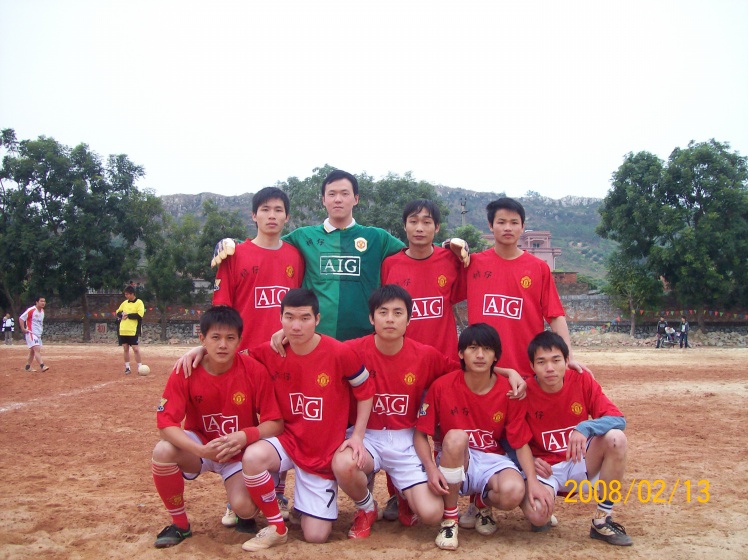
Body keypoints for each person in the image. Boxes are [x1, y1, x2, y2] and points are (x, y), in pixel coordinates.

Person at [239, 288, 374, 551]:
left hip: (323, 451)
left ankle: (316, 507)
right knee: (253, 457)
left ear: (317, 319)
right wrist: (198, 351)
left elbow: (366, 391)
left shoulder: (339, 352)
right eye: (289, 317)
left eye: (304, 318)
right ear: (280, 318)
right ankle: (276, 525)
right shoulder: (270, 351)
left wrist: (357, 436)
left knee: (316, 535)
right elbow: (234, 360)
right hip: (287, 440)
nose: (296, 326)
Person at [333, 284, 464, 538]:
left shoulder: (425, 355)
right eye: (383, 312)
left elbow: (463, 372)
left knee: (431, 513)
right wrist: (285, 336)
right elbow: (316, 350)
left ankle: (405, 496)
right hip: (366, 436)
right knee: (343, 463)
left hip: (406, 438)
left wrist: (507, 372)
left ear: (409, 319)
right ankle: (367, 507)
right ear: (372, 318)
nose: (390, 319)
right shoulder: (351, 350)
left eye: (397, 313)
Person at [151, 306, 284, 548]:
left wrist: (245, 436)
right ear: (202, 339)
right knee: (163, 450)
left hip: (238, 453)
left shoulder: (253, 370)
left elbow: (275, 422)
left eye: (230, 338)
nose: (223, 345)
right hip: (201, 447)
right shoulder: (186, 369)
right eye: (215, 337)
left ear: (239, 341)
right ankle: (180, 525)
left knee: (245, 508)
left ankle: (244, 508)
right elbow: (166, 425)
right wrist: (200, 450)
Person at [415, 323, 550, 551]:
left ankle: (481, 502)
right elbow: (420, 434)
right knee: (456, 437)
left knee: (514, 491)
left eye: (487, 349)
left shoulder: (510, 391)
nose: (480, 355)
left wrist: (533, 482)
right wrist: (430, 468)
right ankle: (450, 519)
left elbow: (520, 442)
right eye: (473, 348)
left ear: (496, 355)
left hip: (492, 459)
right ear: (461, 353)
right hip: (455, 457)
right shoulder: (442, 386)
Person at [520, 331, 633, 546]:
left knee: (616, 439)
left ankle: (602, 519)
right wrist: (529, 462)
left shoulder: (581, 380)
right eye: (541, 362)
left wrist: (585, 427)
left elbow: (618, 419)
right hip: (545, 468)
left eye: (556, 360)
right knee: (538, 516)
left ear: (567, 361)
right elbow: (508, 437)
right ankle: (530, 500)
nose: (550, 368)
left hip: (579, 460)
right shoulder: (524, 392)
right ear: (532, 366)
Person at [464, 198, 589, 378]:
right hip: (484, 374)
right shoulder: (473, 264)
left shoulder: (538, 268)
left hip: (527, 373)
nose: (508, 228)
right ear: (491, 226)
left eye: (514, 222)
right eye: (501, 222)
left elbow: (555, 315)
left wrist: (569, 356)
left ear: (522, 227)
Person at [212, 187, 305, 353]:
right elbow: (221, 310)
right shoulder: (233, 255)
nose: (272, 215)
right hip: (245, 354)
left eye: (278, 210)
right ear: (254, 215)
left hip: (286, 353)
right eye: (265, 209)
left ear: (287, 217)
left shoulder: (296, 256)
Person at [381, 199, 466, 360]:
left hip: (444, 360)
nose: (419, 228)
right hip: (404, 360)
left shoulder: (451, 260)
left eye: (427, 222)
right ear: (405, 226)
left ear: (437, 227)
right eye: (413, 221)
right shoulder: (390, 265)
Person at [116, 286, 145, 374]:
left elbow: (140, 315)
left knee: (135, 349)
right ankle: (127, 367)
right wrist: (122, 315)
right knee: (125, 348)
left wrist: (128, 315)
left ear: (132, 294)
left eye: (127, 294)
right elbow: (118, 312)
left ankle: (140, 367)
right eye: (125, 294)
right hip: (123, 330)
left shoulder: (139, 302)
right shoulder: (124, 303)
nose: (126, 296)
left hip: (133, 330)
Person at [19, 297, 49, 372]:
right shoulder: (31, 310)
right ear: (37, 302)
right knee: (36, 348)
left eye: (44, 301)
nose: (43, 303)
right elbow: (21, 318)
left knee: (33, 351)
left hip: (38, 334)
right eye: (41, 301)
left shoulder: (42, 311)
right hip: (31, 333)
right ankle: (42, 366)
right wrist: (23, 328)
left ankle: (27, 367)